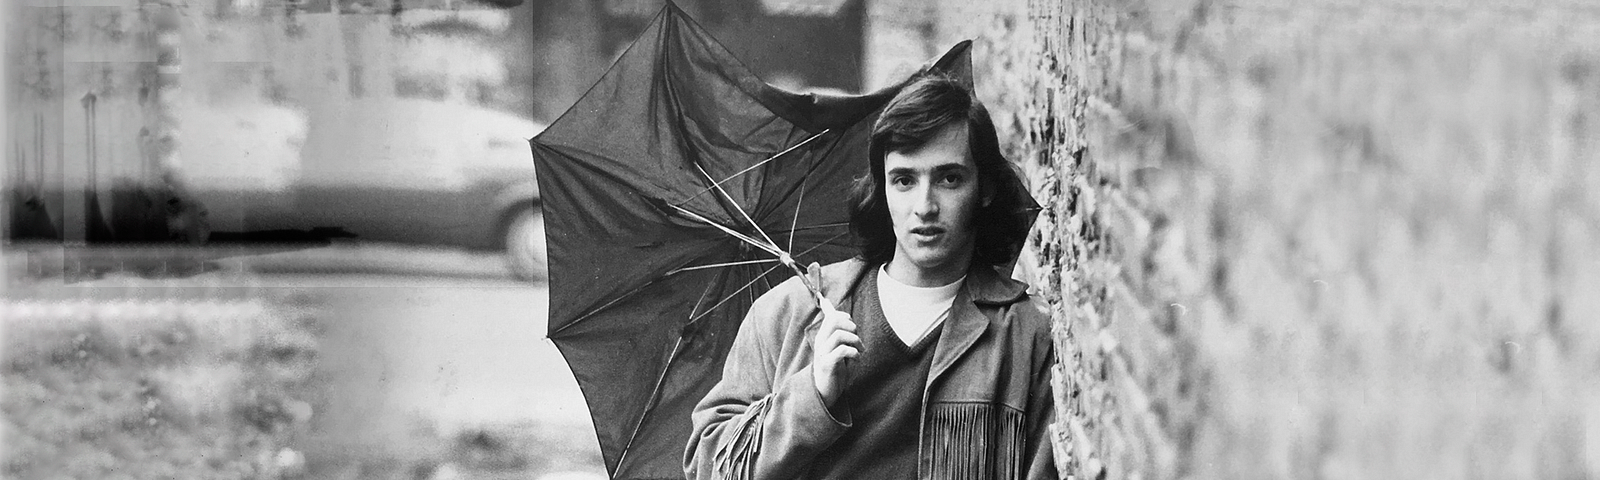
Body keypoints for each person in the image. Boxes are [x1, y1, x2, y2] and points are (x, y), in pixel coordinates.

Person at [684, 72, 1058, 480]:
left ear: (984, 190)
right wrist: (812, 393)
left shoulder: (1025, 336)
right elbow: (710, 466)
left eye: (949, 179)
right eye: (904, 180)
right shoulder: (789, 312)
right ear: (882, 189)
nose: (925, 206)